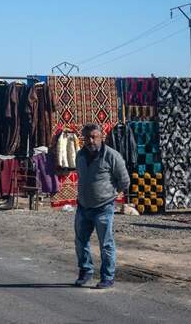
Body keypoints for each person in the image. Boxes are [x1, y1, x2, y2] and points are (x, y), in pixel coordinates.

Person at [74, 123, 130, 289]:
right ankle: (85, 271)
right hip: (83, 207)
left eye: (94, 137)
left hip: (103, 208)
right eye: (87, 137)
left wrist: (110, 194)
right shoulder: (80, 156)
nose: (91, 140)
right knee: (80, 242)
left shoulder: (112, 156)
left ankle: (107, 276)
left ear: (101, 137)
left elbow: (124, 181)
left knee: (106, 244)